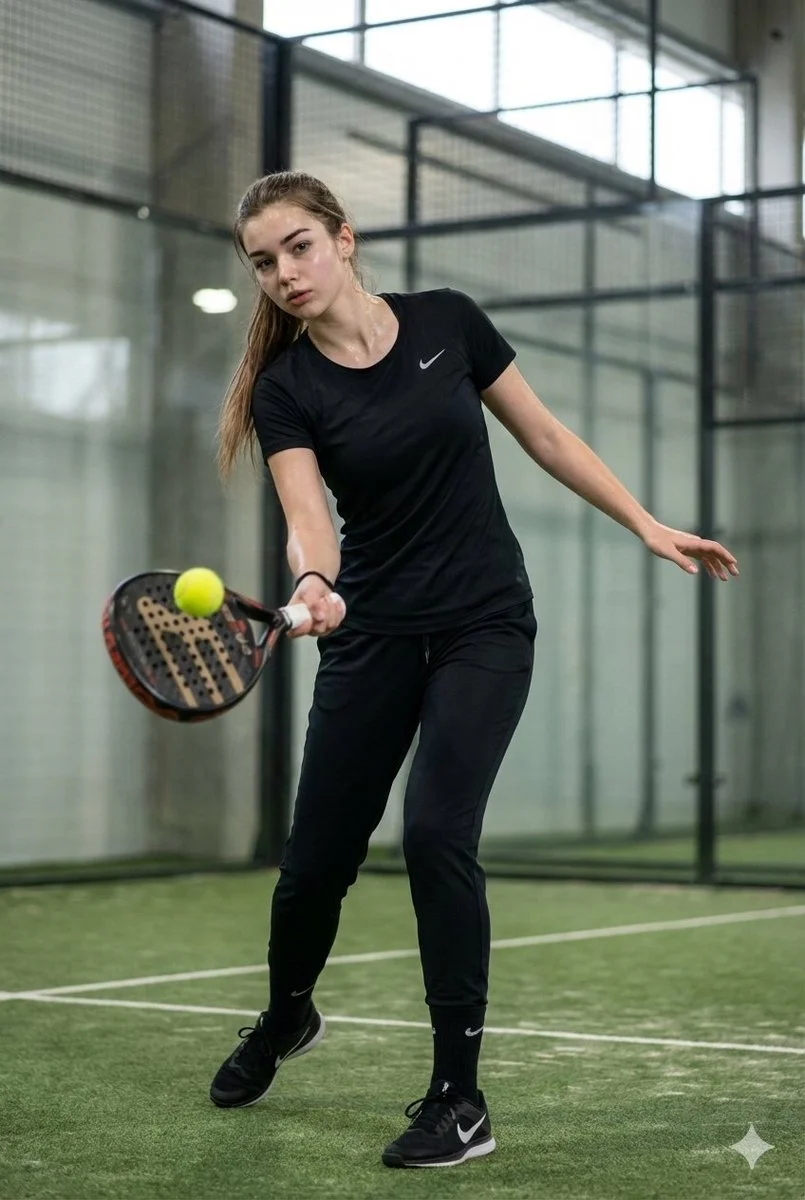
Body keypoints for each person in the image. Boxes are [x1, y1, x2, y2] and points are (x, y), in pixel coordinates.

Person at [210, 170, 739, 1168]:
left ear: (344, 238)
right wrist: (316, 579)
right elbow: (306, 515)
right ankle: (286, 1016)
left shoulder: (449, 322)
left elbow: (542, 434)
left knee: (436, 834)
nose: (283, 273)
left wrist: (645, 523)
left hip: (483, 627)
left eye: (298, 247)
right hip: (370, 635)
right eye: (263, 263)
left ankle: (458, 1098)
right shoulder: (287, 389)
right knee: (315, 861)